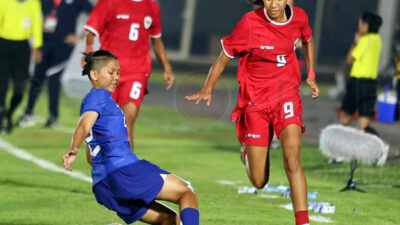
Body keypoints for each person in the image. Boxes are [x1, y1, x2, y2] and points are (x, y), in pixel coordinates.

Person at [185, 0, 319, 224]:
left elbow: (307, 40)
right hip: (256, 103)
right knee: (259, 180)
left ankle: (302, 221)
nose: (273, 4)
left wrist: (311, 73)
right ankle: (248, 150)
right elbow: (223, 59)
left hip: (287, 96)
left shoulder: (299, 17)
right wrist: (207, 89)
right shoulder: (249, 24)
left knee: (292, 160)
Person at [62, 50, 199, 225]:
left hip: (104, 185)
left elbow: (91, 154)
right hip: (124, 172)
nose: (116, 77)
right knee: (186, 192)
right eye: (111, 72)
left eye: (118, 72)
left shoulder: (92, 102)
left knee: (169, 220)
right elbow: (84, 125)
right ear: (94, 74)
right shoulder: (99, 96)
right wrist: (73, 150)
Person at [83, 0, 175, 150]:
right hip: (108, 71)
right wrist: (88, 49)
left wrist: (167, 67)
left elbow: (156, 41)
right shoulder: (109, 2)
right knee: (101, 123)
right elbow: (91, 29)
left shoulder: (152, 6)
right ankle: (100, 167)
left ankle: (125, 170)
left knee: (127, 120)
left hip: (137, 71)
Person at [18, 0, 93, 128]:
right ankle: (28, 113)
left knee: (54, 79)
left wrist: (80, 36)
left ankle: (53, 117)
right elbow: (32, 15)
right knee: (37, 77)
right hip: (44, 42)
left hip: (63, 45)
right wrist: (35, 44)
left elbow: (94, 15)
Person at [0, 0, 42, 133]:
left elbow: (37, 24)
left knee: (20, 88)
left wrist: (36, 47)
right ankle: (1, 118)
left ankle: (9, 113)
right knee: (2, 87)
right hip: (3, 45)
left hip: (22, 48)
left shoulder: (34, 3)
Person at [340, 12, 382, 130]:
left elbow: (350, 59)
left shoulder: (365, 40)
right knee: (364, 123)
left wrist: (356, 42)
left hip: (358, 83)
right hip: (371, 84)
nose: (359, 27)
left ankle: (344, 141)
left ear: (366, 25)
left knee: (345, 117)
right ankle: (373, 142)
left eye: (360, 24)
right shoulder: (377, 40)